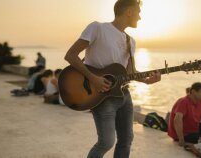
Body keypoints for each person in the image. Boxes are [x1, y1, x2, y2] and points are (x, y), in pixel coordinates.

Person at [64, 0, 161, 158]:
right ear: (129, 12)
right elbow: (70, 55)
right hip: (101, 95)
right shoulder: (97, 28)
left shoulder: (131, 41)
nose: (140, 17)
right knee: (106, 142)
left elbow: (130, 72)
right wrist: (93, 78)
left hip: (124, 95)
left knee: (127, 139)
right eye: (138, 13)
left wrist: (147, 81)